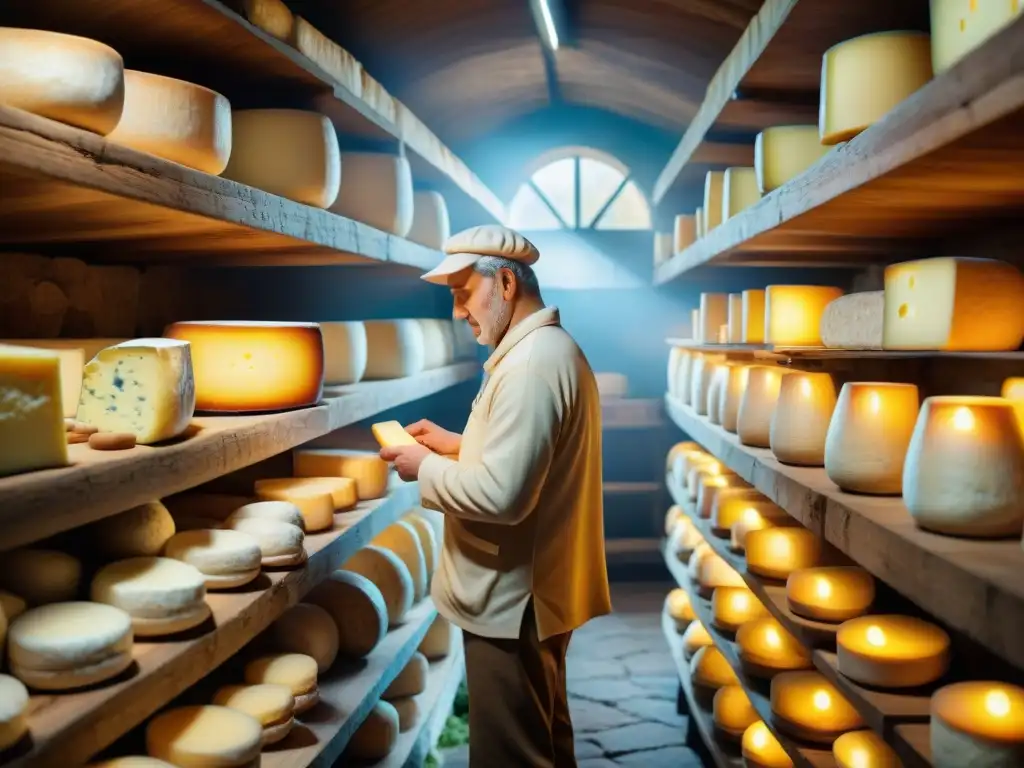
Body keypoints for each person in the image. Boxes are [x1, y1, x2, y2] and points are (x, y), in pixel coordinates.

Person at [379, 224, 612, 767]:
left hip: (514, 601)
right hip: (533, 592)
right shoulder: (542, 351)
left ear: (505, 284)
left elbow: (505, 496)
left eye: (463, 294)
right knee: (543, 742)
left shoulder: (532, 364)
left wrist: (426, 466)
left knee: (511, 756)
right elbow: (533, 457)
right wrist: (460, 447)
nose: (459, 312)